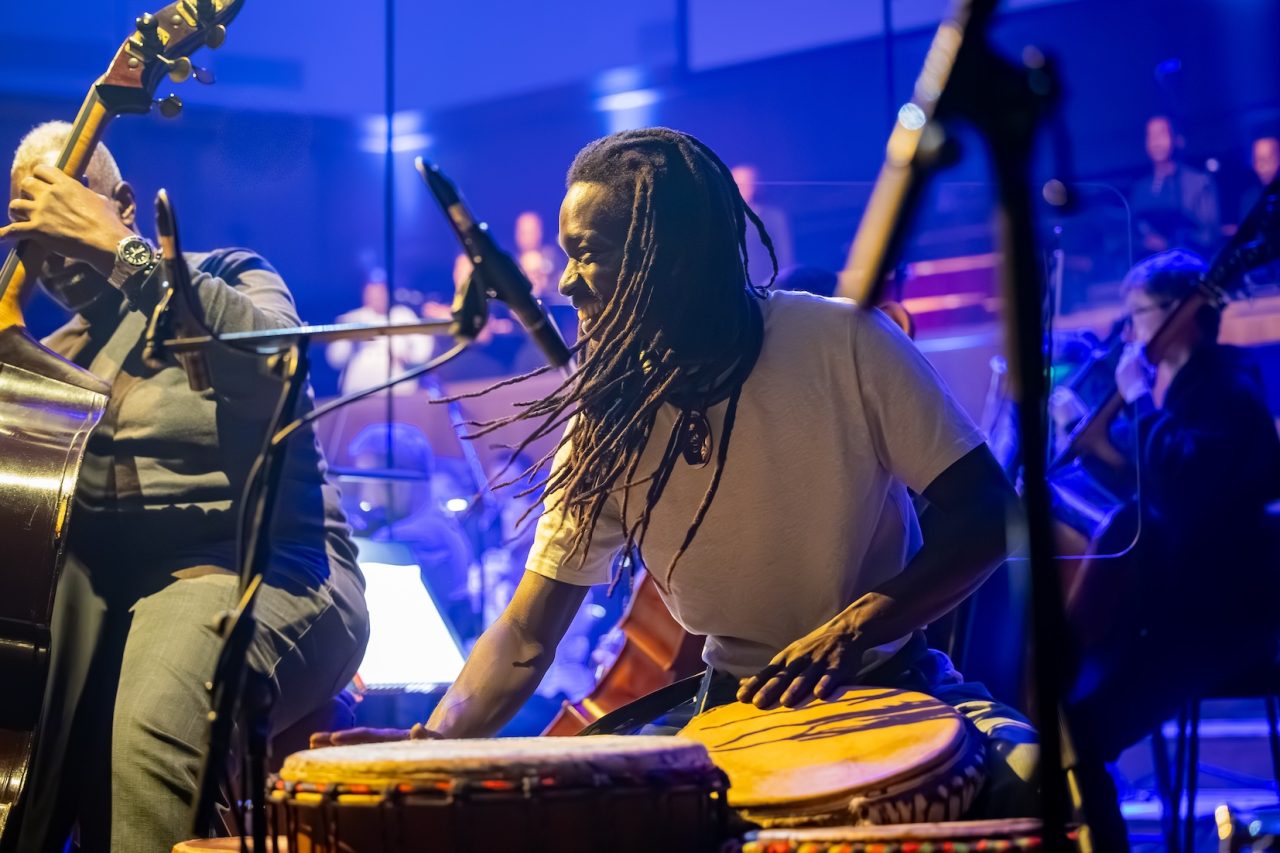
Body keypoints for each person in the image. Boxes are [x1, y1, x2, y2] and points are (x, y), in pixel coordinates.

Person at [320, 127, 1038, 816]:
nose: (566, 282)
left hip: (891, 677)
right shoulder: (610, 420)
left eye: (587, 252)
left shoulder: (844, 342)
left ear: (664, 259)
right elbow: (527, 634)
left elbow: (987, 515)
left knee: (1043, 780)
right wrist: (430, 744)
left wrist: (855, 627)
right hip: (733, 705)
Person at [0, 122, 370, 852]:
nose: (52, 246)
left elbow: (279, 371)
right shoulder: (54, 364)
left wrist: (124, 254)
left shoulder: (226, 276)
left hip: (257, 568)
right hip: (113, 605)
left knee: (151, 729)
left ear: (123, 204)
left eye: (66, 208)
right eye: (31, 228)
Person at [1065, 249, 1280, 760]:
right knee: (1078, 709)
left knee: (1084, 729)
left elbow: (1187, 489)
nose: (1129, 330)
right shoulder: (1193, 388)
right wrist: (1093, 443)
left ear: (1178, 311)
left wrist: (1137, 402)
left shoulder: (1226, 386)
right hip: (1187, 600)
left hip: (1220, 612)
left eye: (1137, 313)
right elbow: (1155, 488)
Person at [325, 273, 432, 395]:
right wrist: (350, 341)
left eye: (381, 291)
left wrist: (408, 357)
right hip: (358, 390)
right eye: (372, 292)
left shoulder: (403, 315)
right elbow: (335, 359)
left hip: (398, 389)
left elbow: (423, 348)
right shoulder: (351, 319)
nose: (377, 296)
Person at [1129, 115, 1221, 257]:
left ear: (1177, 140)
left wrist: (1170, 245)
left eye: (1161, 134)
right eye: (1151, 136)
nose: (1156, 141)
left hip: (1191, 265)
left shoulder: (1199, 182)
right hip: (1151, 269)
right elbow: (1133, 233)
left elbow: (1209, 234)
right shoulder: (1141, 189)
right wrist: (1145, 242)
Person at [731, 163, 794, 287]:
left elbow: (785, 255)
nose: (744, 188)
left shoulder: (774, 216)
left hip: (767, 288)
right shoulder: (725, 217)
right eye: (738, 184)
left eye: (749, 183)